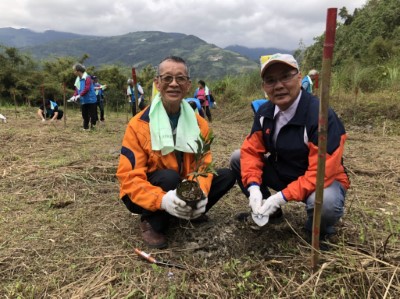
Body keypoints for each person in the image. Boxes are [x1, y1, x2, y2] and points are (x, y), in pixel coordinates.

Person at [116, 56, 235, 249]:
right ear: (157, 83)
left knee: (226, 176)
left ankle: (188, 211)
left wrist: (201, 193)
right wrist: (162, 200)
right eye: (167, 78)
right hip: (149, 190)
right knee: (169, 177)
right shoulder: (139, 124)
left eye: (180, 79)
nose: (173, 84)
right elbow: (129, 177)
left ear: (188, 85)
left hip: (182, 184)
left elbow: (202, 166)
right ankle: (152, 221)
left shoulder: (199, 124)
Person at [230, 53, 349, 243]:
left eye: (286, 76)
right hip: (284, 171)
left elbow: (322, 171)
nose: (278, 86)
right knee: (238, 158)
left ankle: (316, 230)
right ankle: (269, 212)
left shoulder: (320, 115)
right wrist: (253, 186)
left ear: (300, 78)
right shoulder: (265, 112)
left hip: (321, 179)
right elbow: (251, 151)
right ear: (264, 87)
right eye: (271, 80)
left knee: (325, 204)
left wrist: (282, 196)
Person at [68, 63, 98, 130]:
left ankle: (93, 127)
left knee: (92, 114)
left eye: (74, 70)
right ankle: (85, 127)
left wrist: (79, 95)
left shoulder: (87, 78)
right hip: (84, 100)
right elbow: (77, 89)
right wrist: (74, 96)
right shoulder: (77, 79)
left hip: (91, 99)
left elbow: (86, 88)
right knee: (84, 114)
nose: (74, 72)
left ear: (78, 71)